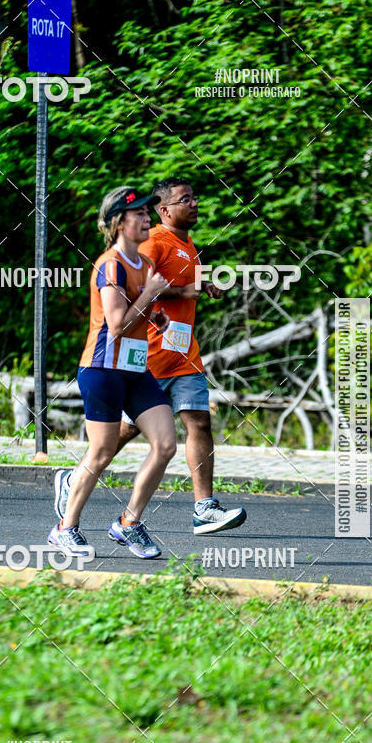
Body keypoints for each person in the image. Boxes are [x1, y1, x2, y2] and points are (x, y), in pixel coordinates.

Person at [56, 177, 247, 535]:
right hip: (146, 356)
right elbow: (135, 294)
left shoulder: (189, 245)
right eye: (185, 199)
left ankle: (202, 508)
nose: (194, 203)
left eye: (195, 196)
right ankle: (76, 482)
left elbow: (160, 289)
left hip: (183, 353)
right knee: (117, 436)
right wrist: (174, 295)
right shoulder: (152, 244)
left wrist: (200, 288)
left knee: (196, 423)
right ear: (165, 210)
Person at [48, 186, 177, 559]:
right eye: (139, 215)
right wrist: (150, 294)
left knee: (166, 443)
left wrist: (156, 314)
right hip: (103, 369)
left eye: (148, 214)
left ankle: (128, 523)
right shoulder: (111, 264)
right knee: (102, 451)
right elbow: (117, 323)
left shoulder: (146, 265)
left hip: (135, 368)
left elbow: (135, 311)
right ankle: (64, 528)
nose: (148, 219)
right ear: (120, 222)